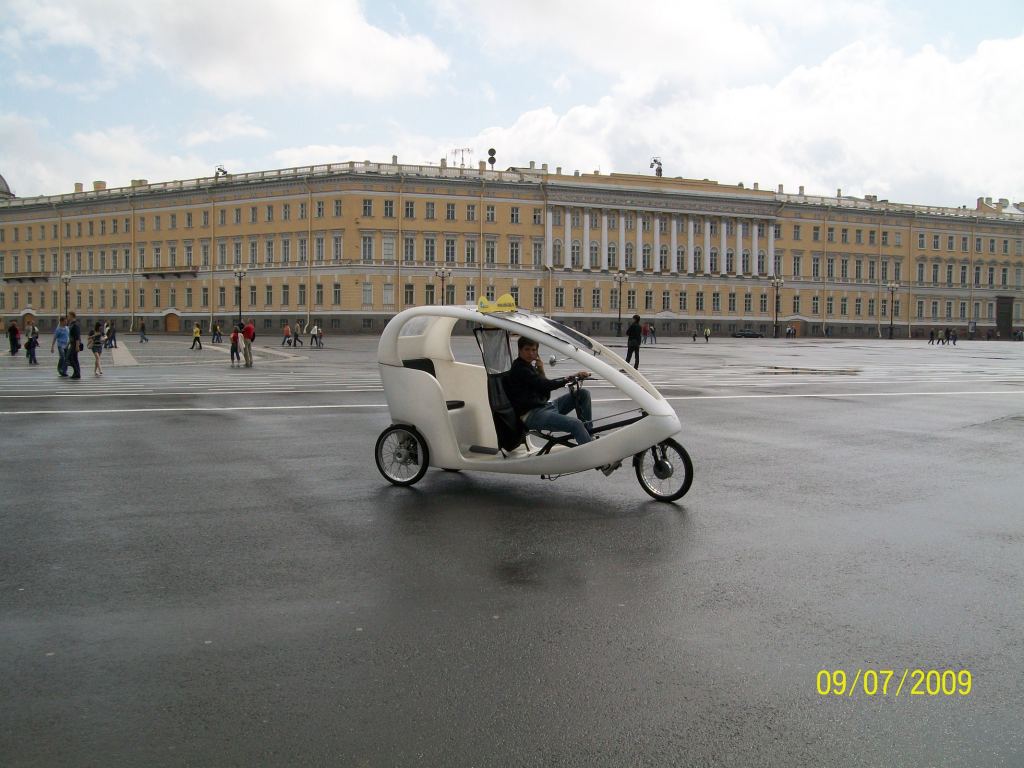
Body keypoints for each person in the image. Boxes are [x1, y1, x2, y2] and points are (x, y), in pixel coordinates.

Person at [505, 336, 595, 448]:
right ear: (520, 350)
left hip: (546, 407)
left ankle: (588, 435)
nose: (530, 353)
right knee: (576, 424)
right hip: (533, 415)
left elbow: (544, 389)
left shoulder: (529, 367)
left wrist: (541, 369)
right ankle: (596, 456)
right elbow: (546, 385)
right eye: (527, 349)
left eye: (534, 350)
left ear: (537, 352)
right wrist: (570, 377)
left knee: (583, 394)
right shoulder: (520, 369)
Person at [66, 311, 82, 378]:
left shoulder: (75, 324)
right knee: (73, 358)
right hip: (72, 343)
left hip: (75, 344)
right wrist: (68, 344)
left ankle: (77, 373)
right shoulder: (71, 324)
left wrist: (77, 346)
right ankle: (76, 373)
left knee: (71, 358)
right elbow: (71, 336)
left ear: (72, 316)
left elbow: (77, 336)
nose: (67, 317)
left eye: (68, 316)